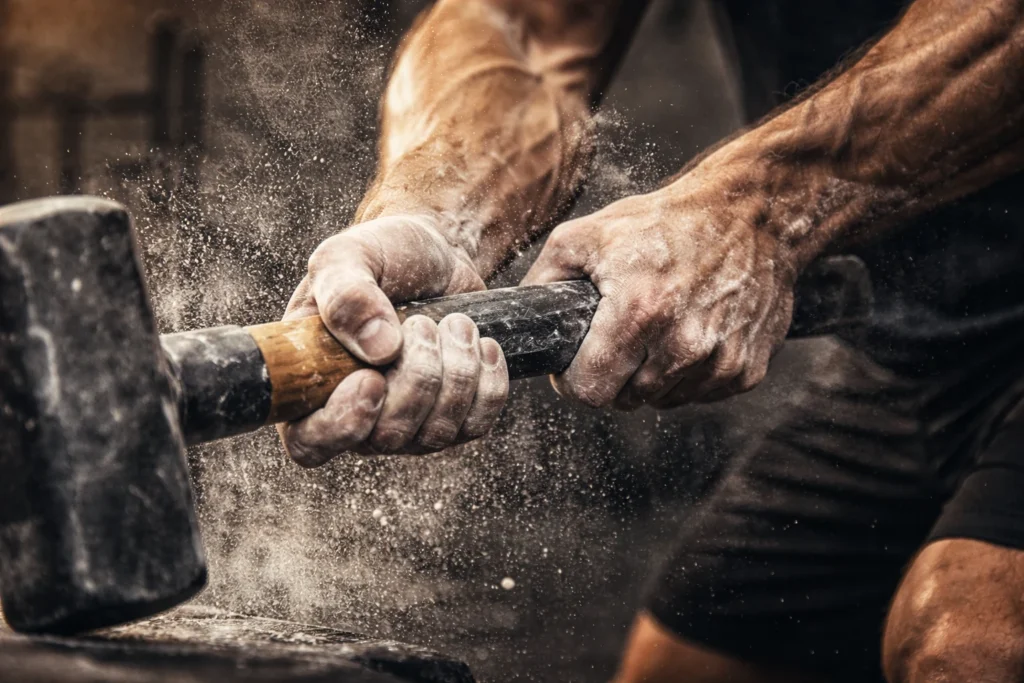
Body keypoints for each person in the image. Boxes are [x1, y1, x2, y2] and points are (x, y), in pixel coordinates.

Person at [280, 1, 1024, 681]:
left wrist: (757, 206)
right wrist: (437, 215)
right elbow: (528, 32)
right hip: (908, 348)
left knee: (965, 644)